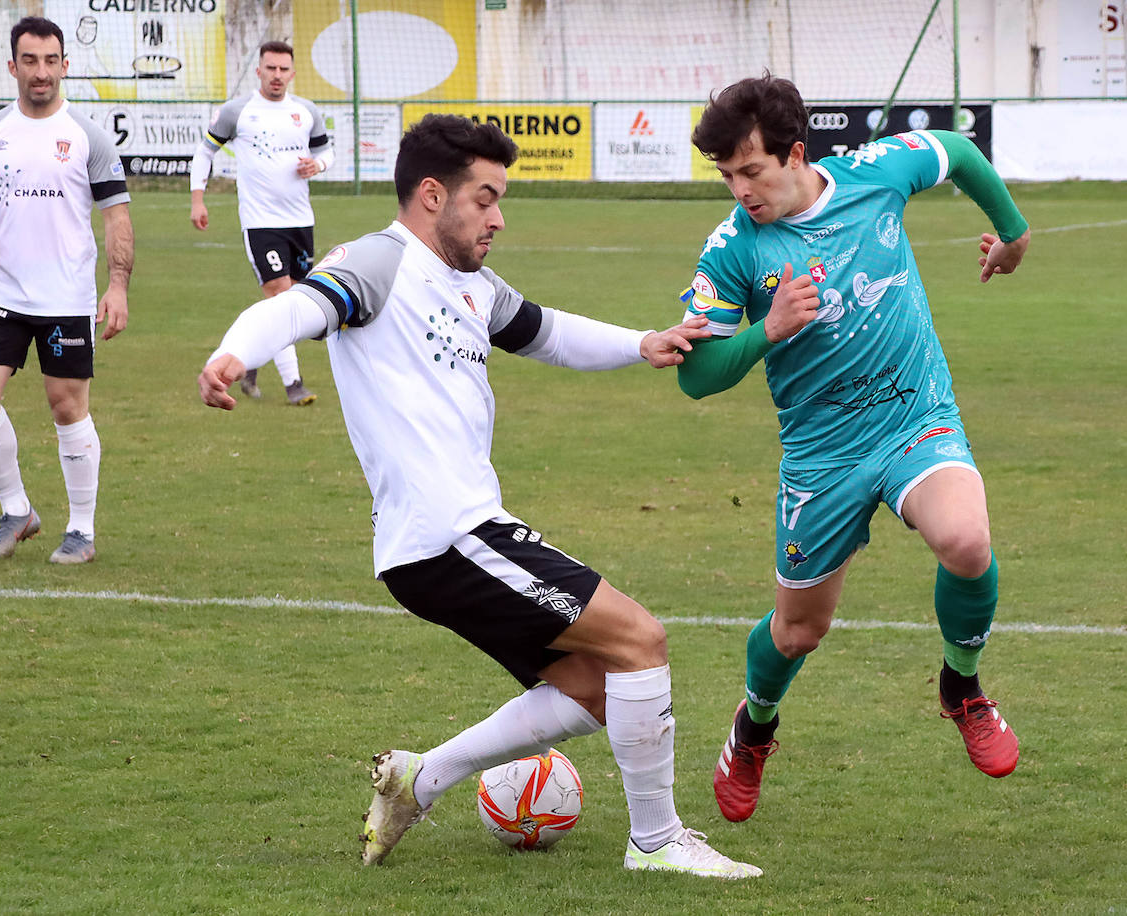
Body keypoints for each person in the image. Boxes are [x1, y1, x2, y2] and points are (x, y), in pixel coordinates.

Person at [197, 114, 761, 879]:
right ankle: (657, 843)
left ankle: (417, 779)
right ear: (433, 196)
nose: (498, 217)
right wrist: (234, 352)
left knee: (598, 686)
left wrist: (641, 343)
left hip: (459, 533)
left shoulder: (470, 285)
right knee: (642, 641)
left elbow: (547, 331)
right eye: (486, 198)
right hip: (446, 532)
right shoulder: (378, 263)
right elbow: (296, 307)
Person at [677, 75, 1031, 823]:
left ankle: (961, 686)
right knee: (801, 629)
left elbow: (959, 150)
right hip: (822, 456)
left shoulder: (875, 175)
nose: (740, 190)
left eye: (751, 171)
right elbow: (698, 376)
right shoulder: (736, 249)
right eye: (727, 176)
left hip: (914, 418)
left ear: (796, 153)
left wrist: (1014, 231)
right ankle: (754, 728)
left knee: (966, 541)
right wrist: (766, 329)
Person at [0, 16, 134, 565]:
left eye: (50, 61)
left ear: (64, 65)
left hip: (66, 297)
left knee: (66, 406)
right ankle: (17, 511)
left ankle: (81, 529)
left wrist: (117, 285)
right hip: (2, 291)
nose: (41, 72)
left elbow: (116, 216)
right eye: (29, 61)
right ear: (13, 66)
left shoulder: (88, 136)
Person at [189, 40, 332, 406]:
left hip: (300, 220)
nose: (277, 75)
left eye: (284, 69)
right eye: (271, 68)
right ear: (259, 71)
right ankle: (294, 385)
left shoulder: (306, 111)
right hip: (260, 222)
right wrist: (198, 199)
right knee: (281, 298)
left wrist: (319, 165)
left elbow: (325, 151)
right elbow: (205, 152)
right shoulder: (238, 112)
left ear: (293, 73)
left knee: (297, 305)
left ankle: (251, 361)